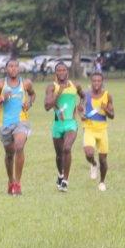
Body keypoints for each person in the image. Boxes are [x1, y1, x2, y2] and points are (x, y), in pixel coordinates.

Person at [0, 58, 36, 195]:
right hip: (5, 124)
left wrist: (29, 103)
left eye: (16, 66)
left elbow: (33, 94)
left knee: (19, 146)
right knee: (9, 155)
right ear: (6, 68)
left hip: (21, 121)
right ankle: (10, 181)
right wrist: (2, 98)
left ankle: (17, 183)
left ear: (19, 68)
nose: (14, 68)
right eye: (11, 66)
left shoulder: (26, 83)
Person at [43, 62, 84, 192]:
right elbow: (47, 106)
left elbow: (83, 96)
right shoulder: (52, 87)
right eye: (59, 70)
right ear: (55, 73)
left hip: (71, 123)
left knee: (67, 148)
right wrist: (58, 93)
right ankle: (60, 175)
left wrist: (81, 104)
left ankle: (65, 181)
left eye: (64, 70)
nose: (61, 72)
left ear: (67, 71)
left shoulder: (75, 85)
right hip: (57, 125)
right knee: (59, 155)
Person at [81, 71, 115, 191]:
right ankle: (93, 164)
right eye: (94, 81)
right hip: (89, 128)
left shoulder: (107, 95)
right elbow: (80, 109)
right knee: (89, 153)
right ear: (91, 82)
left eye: (99, 81)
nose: (96, 83)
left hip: (102, 130)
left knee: (103, 160)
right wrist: (82, 115)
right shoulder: (86, 95)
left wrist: (106, 109)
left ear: (102, 82)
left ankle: (102, 182)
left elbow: (112, 115)